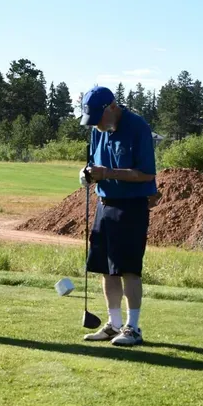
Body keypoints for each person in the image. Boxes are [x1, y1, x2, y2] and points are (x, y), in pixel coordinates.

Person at [78, 85, 156, 346]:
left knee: (128, 269)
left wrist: (107, 174)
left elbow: (146, 174)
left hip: (131, 206)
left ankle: (132, 328)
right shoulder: (97, 130)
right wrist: (87, 173)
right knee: (106, 269)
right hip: (104, 203)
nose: (96, 126)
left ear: (112, 107)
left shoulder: (138, 127)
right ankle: (113, 324)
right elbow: (94, 165)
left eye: (98, 118)